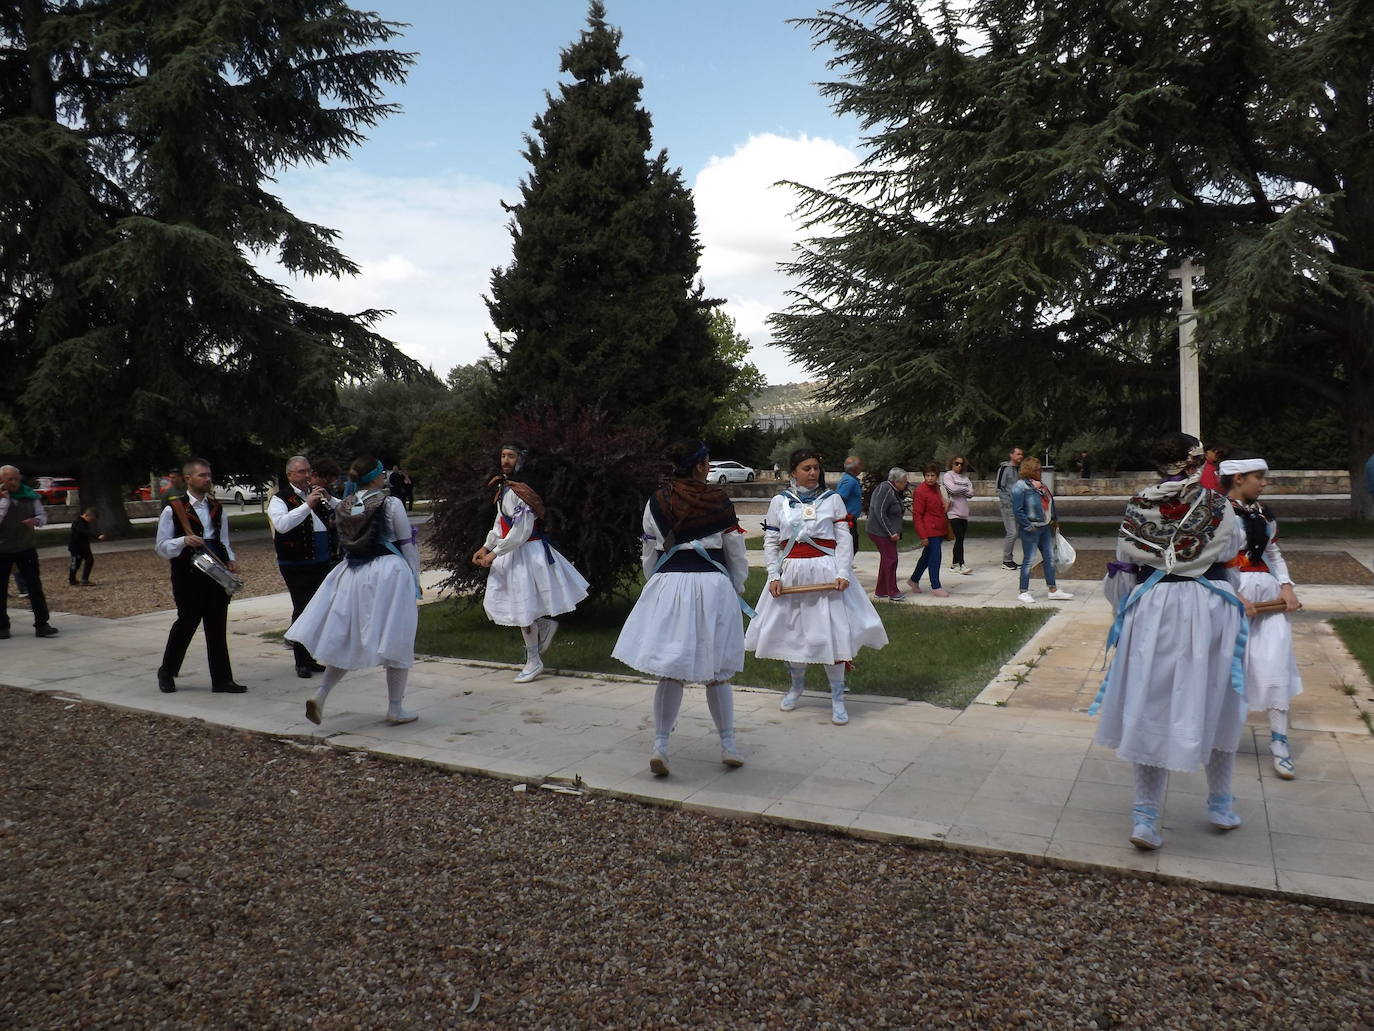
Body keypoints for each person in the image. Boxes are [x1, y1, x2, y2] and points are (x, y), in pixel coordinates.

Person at [1091, 432, 1247, 851]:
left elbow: (1123, 570)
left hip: (1154, 607)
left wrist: (1123, 614)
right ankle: (1219, 801)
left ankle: (1145, 815)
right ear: (1197, 463)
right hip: (1209, 608)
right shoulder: (1218, 506)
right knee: (1218, 697)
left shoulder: (1139, 505)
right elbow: (1230, 559)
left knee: (1152, 701)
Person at [612, 440, 750, 776]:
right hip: (712, 585)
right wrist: (737, 584)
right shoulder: (718, 500)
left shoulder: (657, 501)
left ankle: (661, 745)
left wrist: (655, 583)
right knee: (717, 672)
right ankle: (728, 744)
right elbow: (735, 549)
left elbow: (648, 550)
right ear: (701, 465)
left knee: (670, 668)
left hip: (670, 584)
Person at [745, 448, 888, 725]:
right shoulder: (780, 502)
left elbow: (843, 537)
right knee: (792, 634)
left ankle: (837, 697)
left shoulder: (832, 500)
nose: (813, 473)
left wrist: (843, 571)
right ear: (793, 472)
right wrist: (773, 575)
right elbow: (771, 541)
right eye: (806, 468)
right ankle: (796, 687)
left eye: (815, 468)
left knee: (830, 634)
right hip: (791, 576)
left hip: (826, 572)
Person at [288, 456, 421, 726]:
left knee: (347, 636)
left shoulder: (346, 504)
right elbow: (406, 543)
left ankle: (321, 693)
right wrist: (415, 577)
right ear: (375, 477)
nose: (384, 477)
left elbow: (343, 511)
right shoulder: (390, 503)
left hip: (353, 574)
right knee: (397, 635)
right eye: (381, 474)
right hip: (388, 571)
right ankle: (395, 707)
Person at [472, 443, 589, 683]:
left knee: (523, 607)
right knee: (522, 606)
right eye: (503, 455)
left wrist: (494, 553)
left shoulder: (521, 491)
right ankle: (542, 631)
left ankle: (534, 661)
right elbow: (500, 523)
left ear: (520, 460)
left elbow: (520, 531)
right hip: (514, 553)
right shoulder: (504, 489)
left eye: (510, 456)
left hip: (526, 553)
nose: (505, 460)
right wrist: (486, 546)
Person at [1222, 454, 1304, 779]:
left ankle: (1280, 741)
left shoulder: (1263, 512)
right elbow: (1212, 559)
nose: (1264, 482)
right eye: (1259, 477)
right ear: (1239, 478)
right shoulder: (1217, 513)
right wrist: (1234, 594)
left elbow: (1272, 552)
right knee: (1227, 666)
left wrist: (1287, 587)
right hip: (1230, 596)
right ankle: (1215, 737)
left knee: (1275, 662)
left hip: (1268, 596)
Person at [154, 458, 243, 692]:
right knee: (187, 622)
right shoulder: (173, 509)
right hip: (187, 575)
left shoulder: (217, 507)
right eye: (202, 475)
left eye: (209, 475)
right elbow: (161, 546)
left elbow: (223, 540)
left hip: (216, 572)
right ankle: (167, 671)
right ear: (188, 479)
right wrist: (183, 540)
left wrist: (231, 559)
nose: (207, 479)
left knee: (216, 625)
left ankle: (222, 679)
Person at [269, 455, 338, 678]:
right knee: (302, 608)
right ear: (290, 474)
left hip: (320, 560)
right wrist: (307, 506)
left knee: (317, 609)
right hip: (295, 562)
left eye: (309, 470)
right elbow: (282, 525)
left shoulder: (315, 493)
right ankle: (301, 661)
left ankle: (311, 657)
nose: (307, 475)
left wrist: (329, 501)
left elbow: (336, 517)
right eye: (301, 472)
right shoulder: (280, 498)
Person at [0, 465, 59, 640]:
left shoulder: (30, 495)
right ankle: (2, 626)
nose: (14, 482)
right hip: (2, 549)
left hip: (26, 547)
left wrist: (36, 521)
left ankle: (42, 624)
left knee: (34, 586)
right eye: (10, 479)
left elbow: (43, 516)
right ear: (2, 480)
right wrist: (4, 501)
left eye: (16, 479)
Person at [1013, 457, 1074, 604]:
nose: (1040, 472)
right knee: (1029, 560)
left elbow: (1049, 504)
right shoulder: (1020, 487)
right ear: (1029, 470)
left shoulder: (1041, 486)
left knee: (1049, 558)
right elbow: (1017, 510)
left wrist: (1054, 520)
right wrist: (1028, 526)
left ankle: (1052, 590)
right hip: (1031, 529)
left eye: (1040, 469)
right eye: (1037, 469)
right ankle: (1023, 591)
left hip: (1045, 527)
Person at [907, 463, 950, 597]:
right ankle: (936, 586)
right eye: (927, 475)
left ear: (937, 477)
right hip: (929, 529)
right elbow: (917, 515)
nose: (930, 478)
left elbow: (941, 508)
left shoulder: (938, 488)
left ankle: (914, 580)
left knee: (927, 557)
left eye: (932, 476)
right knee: (935, 557)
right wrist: (923, 535)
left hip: (939, 527)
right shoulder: (920, 491)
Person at [868, 468, 908, 601]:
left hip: (886, 532)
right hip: (881, 532)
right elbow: (879, 512)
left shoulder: (892, 490)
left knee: (887, 559)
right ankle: (892, 591)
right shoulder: (885, 489)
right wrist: (891, 532)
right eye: (903, 482)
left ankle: (881, 590)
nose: (905, 484)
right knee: (891, 559)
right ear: (895, 481)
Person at [942, 456, 974, 574]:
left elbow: (971, 493)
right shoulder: (947, 475)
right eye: (956, 463)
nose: (959, 466)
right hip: (953, 512)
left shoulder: (965, 477)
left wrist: (961, 489)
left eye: (961, 464)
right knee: (959, 537)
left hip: (964, 512)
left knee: (960, 539)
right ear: (952, 463)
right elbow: (952, 489)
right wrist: (964, 489)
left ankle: (954, 564)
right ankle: (962, 564)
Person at [309, 458, 343, 564]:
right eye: (326, 482)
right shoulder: (305, 493)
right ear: (314, 475)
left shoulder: (326, 491)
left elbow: (342, 506)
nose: (327, 485)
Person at [995, 446, 1024, 570]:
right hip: (1008, 506)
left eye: (1021, 454)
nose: (1020, 456)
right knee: (1012, 532)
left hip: (1018, 506)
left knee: (1015, 533)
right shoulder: (1004, 469)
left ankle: (1009, 559)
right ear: (1011, 455)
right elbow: (999, 487)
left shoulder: (1020, 470)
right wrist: (1007, 502)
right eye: (1018, 454)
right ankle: (1006, 560)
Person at [67, 507, 104, 585]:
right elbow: (83, 531)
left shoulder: (84, 522)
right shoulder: (78, 521)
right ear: (88, 515)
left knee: (90, 560)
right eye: (92, 519)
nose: (92, 521)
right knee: (76, 563)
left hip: (84, 546)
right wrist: (96, 536)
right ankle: (72, 579)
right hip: (76, 547)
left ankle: (85, 579)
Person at [836, 455, 864, 554]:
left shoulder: (851, 479)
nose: (862, 467)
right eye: (860, 465)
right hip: (848, 520)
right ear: (855, 468)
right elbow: (839, 498)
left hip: (851, 519)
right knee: (851, 546)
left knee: (853, 546)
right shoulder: (850, 481)